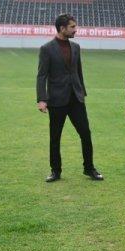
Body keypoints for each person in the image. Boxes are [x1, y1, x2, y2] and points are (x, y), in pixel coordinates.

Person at [37, 13, 103, 183]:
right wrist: (42, 99)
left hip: (76, 99)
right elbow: (41, 75)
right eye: (72, 26)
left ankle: (89, 168)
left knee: (86, 134)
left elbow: (78, 71)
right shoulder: (46, 49)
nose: (76, 29)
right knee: (55, 137)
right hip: (57, 100)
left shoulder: (76, 47)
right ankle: (55, 171)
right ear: (62, 28)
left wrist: (82, 92)